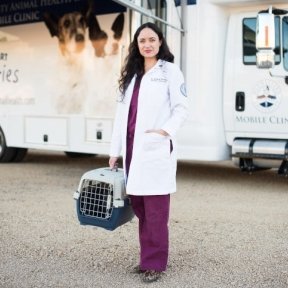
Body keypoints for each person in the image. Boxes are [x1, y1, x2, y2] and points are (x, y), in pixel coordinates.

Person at [109, 22, 188, 283]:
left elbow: (181, 108)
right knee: (141, 209)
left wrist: (164, 132)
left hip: (154, 150)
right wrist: (114, 150)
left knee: (156, 211)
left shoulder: (170, 71)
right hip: (133, 151)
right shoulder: (132, 74)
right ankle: (146, 259)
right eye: (142, 40)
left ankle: (155, 264)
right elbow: (122, 116)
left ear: (160, 42)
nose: (147, 44)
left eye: (152, 39)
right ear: (136, 44)